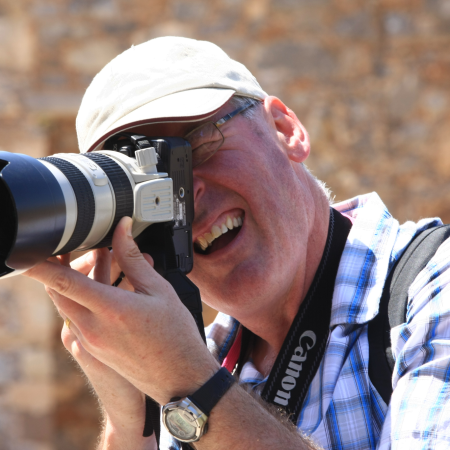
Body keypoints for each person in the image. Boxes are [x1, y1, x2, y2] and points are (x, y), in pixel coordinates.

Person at [24, 37, 450, 450]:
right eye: (146, 184)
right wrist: (130, 426)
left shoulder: (430, 287)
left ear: (284, 129)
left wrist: (190, 382)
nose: (179, 197)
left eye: (198, 145)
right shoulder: (203, 359)